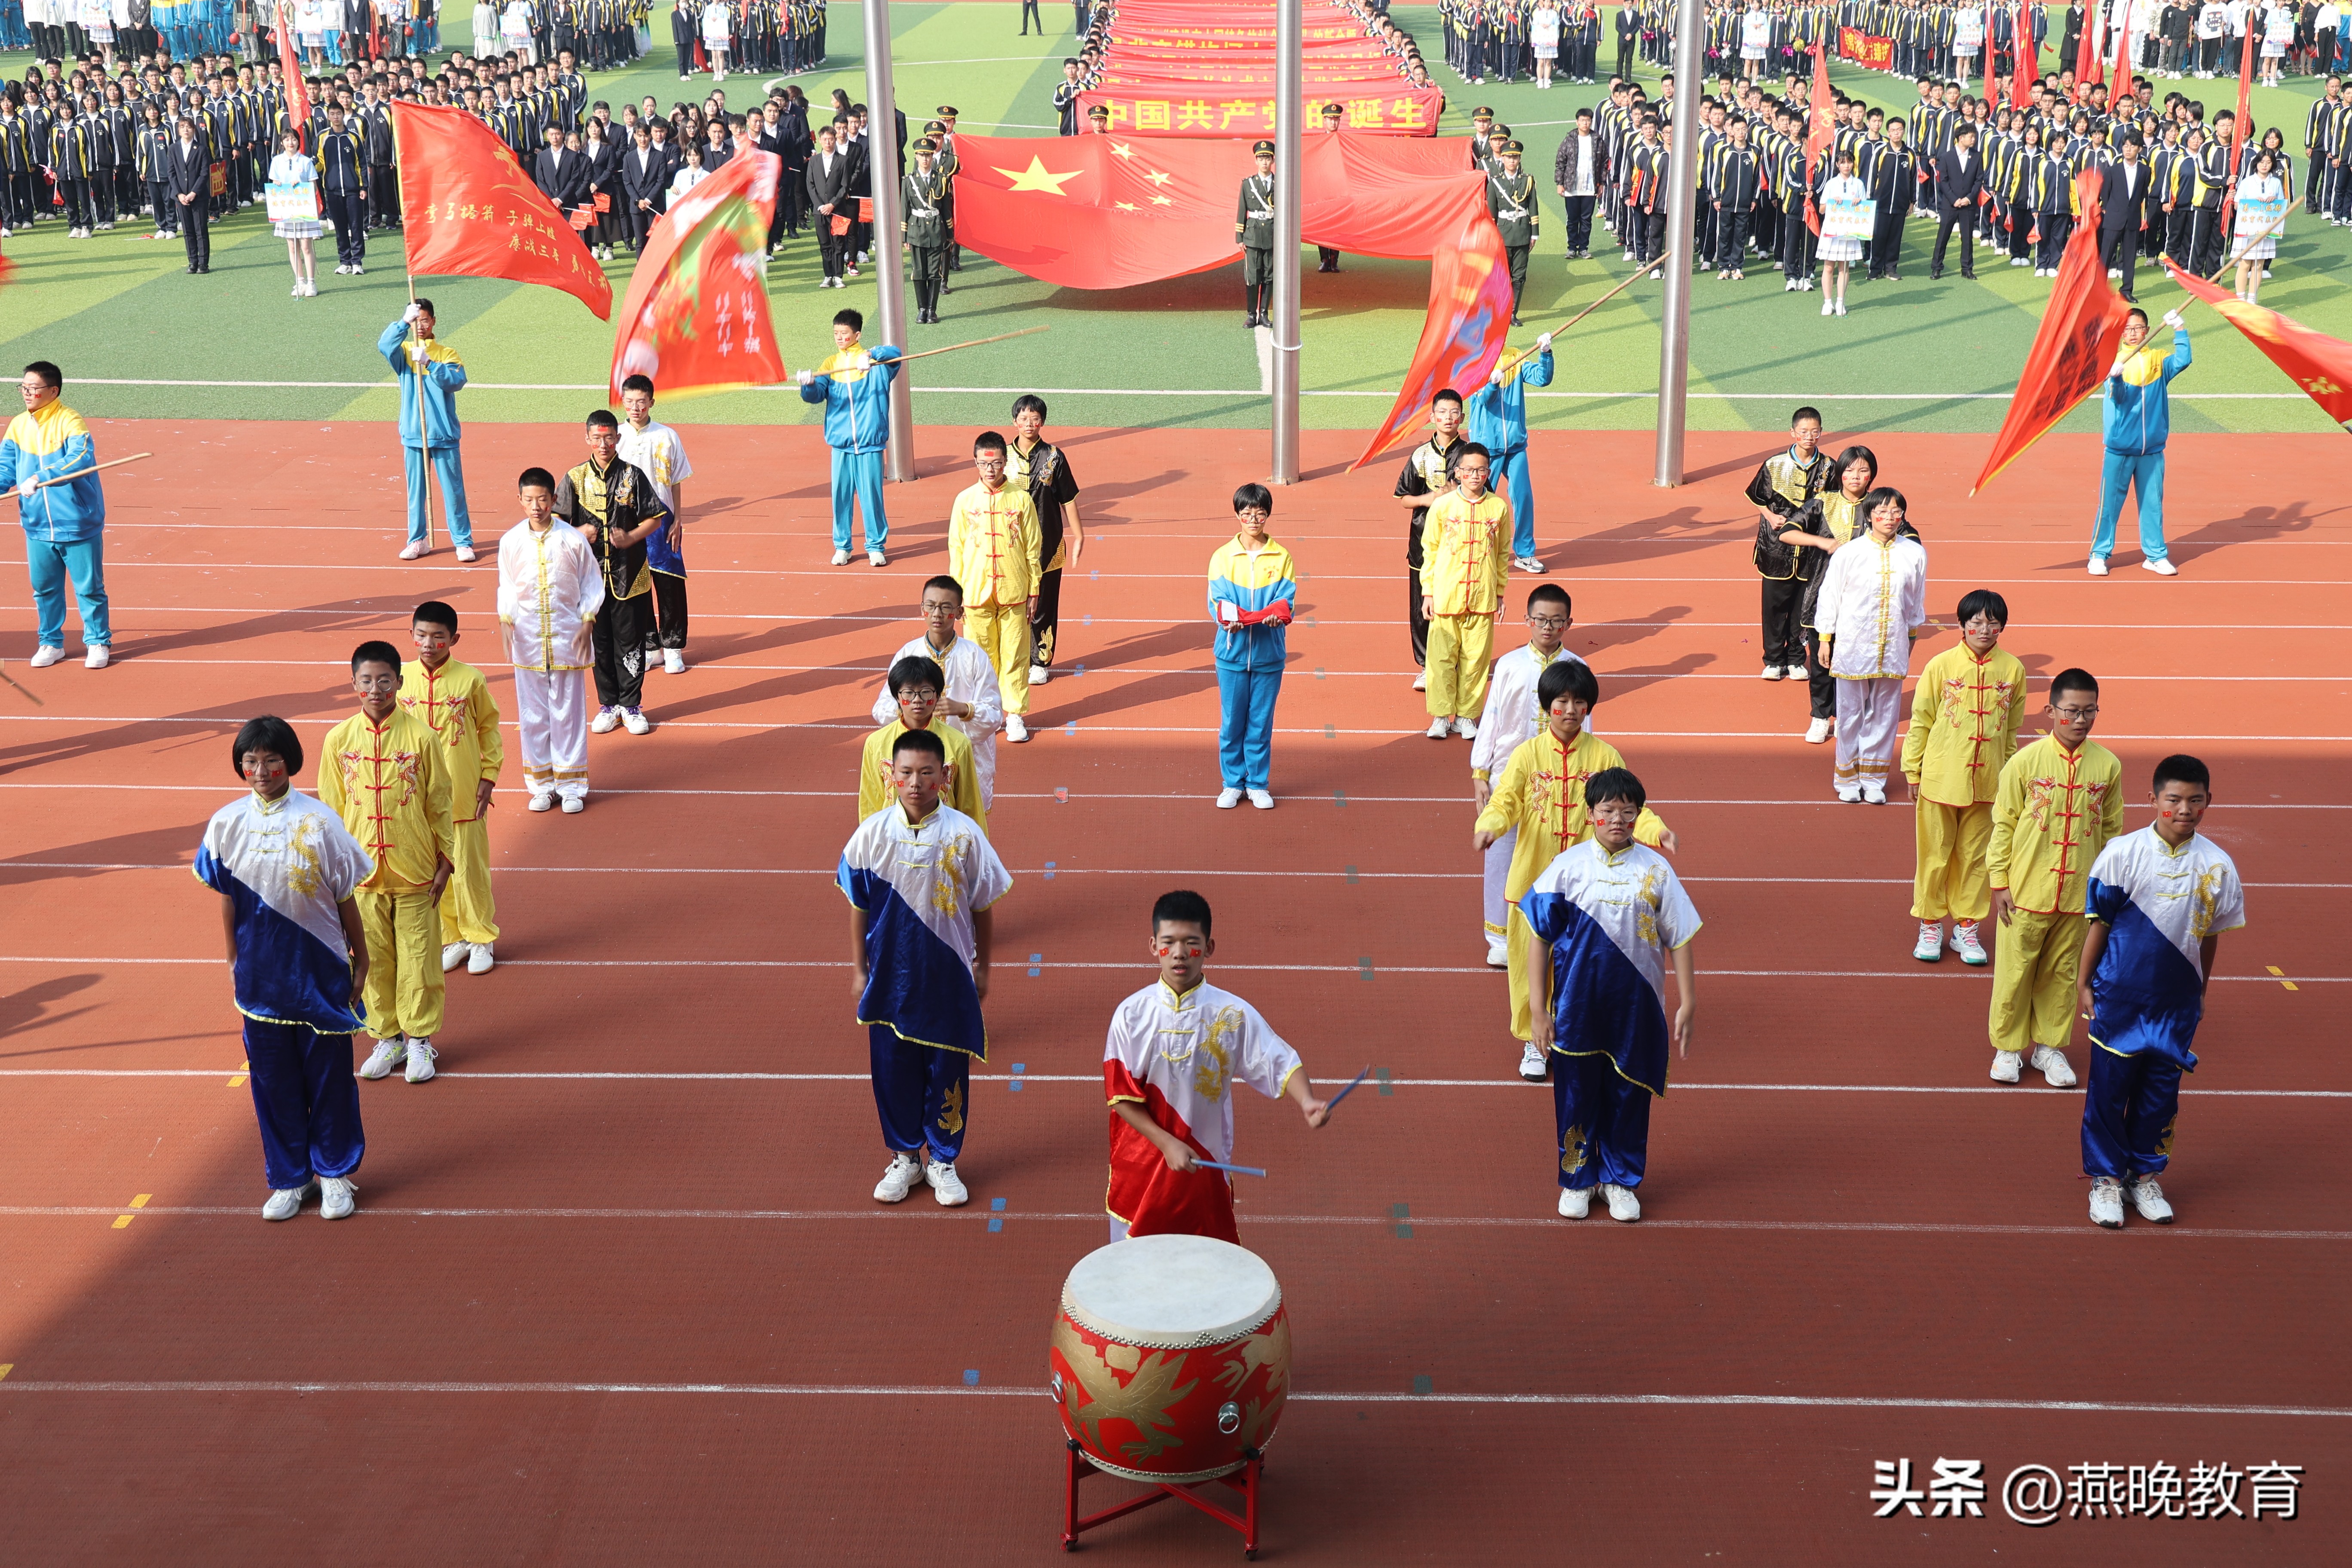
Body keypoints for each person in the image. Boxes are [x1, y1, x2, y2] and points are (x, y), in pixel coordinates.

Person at [196, 715, 375, 1221]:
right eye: (251, 760)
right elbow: (228, 900)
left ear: (290, 761)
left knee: (330, 1079)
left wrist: (361, 963)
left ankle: (336, 1173)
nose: (261, 770)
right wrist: (234, 959)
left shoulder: (321, 822)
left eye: (271, 759)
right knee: (273, 1083)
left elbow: (345, 899)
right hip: (261, 980)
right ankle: (290, 1178)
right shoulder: (226, 824)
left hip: (320, 972)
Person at [1474, 661, 1675, 1083]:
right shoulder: (1527, 755)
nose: (1570, 710)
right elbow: (1505, 800)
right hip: (1534, 887)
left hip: (1588, 887)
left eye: (1579, 702)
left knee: (1583, 968)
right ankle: (1534, 1041)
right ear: (1546, 707)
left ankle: (1575, 1037)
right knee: (1531, 968)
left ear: (1589, 708)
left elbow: (1629, 808)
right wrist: (1489, 827)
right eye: (1561, 702)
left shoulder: (1604, 756)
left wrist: (1657, 832)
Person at [842, 726, 1012, 1210]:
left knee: (947, 1067)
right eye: (906, 773)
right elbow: (858, 904)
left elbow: (984, 905)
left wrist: (983, 967)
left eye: (926, 773)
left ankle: (943, 1159)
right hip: (889, 980)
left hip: (948, 976)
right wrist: (860, 969)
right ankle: (905, 1157)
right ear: (888, 776)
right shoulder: (871, 836)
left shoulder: (965, 835)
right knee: (892, 1069)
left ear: (947, 775)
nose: (915, 783)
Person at [2076, 754, 2246, 1228]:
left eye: (2196, 800)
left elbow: (2209, 937)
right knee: (2109, 1093)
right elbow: (2100, 925)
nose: (2184, 809)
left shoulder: (2219, 867)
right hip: (2119, 998)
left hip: (2176, 1004)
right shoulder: (2121, 854)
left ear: (2210, 802)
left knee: (2160, 1095)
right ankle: (2107, 1181)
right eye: (2174, 799)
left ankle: (2144, 1175)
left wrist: (2202, 992)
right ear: (2152, 800)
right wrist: (2083, 982)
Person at [1524, 766, 1699, 1222]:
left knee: (1629, 1093)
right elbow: (1538, 939)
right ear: (1590, 815)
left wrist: (1689, 1000)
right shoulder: (1567, 868)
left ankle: (1620, 1179)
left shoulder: (1657, 871)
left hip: (1636, 1009)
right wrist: (1537, 1010)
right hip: (1578, 1008)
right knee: (1576, 1092)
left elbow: (1679, 937)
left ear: (1640, 816)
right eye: (1608, 811)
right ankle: (1578, 1178)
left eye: (1628, 811)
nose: (1618, 820)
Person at [1103, 890, 1329, 1243]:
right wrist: (1168, 1145)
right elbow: (1122, 1098)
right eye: (1169, 943)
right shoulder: (1131, 1016)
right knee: (1132, 1278)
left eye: (1191, 943)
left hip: (1203, 1170)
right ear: (1153, 946)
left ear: (1209, 948)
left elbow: (1280, 1060)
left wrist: (1307, 1101)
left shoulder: (1232, 1014)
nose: (1179, 954)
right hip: (1141, 1174)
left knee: (1205, 1272)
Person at [320, 641, 455, 1087]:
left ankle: (419, 1039)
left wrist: (447, 858)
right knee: (372, 959)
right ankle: (387, 1036)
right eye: (366, 681)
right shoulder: (338, 741)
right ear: (353, 684)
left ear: (399, 682)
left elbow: (439, 801)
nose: (375, 689)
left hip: (416, 866)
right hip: (361, 875)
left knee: (419, 959)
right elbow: (331, 810)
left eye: (384, 680)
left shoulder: (422, 737)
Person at [1985, 668, 2125, 1087]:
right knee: (2015, 971)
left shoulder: (2108, 766)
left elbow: (2112, 830)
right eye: (2071, 711)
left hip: (2079, 893)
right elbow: (2004, 823)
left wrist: (2106, 889)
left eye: (2090, 712)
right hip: (2026, 888)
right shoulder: (2025, 763)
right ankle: (2008, 1048)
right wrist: (1999, 881)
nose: (2081, 720)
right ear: (2050, 711)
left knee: (2066, 973)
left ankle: (2050, 1048)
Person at [1900, 589, 2027, 967]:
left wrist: (2009, 779)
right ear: (1962, 625)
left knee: (1976, 859)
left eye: (1992, 623)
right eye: (1976, 622)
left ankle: (1967, 927)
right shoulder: (1940, 666)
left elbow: (2012, 731)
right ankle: (1930, 923)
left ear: (2002, 626)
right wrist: (1913, 768)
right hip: (1941, 777)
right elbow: (1921, 719)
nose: (1984, 629)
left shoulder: (2014, 670)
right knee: (1935, 854)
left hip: (1989, 782)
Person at [1469, 584, 1584, 968]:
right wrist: (1480, 771)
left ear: (1569, 623)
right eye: (1540, 620)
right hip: (1508, 776)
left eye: (1556, 621)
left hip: (1560, 777)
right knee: (1502, 854)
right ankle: (1499, 936)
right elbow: (1493, 718)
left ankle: (1552, 931)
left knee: (1556, 856)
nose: (1547, 628)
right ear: (1527, 621)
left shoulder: (1579, 669)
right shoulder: (1510, 665)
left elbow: (1588, 726)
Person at [401, 600, 503, 978]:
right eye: (422, 636)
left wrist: (488, 776)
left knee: (470, 868)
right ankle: (454, 936)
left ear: (454, 639)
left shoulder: (471, 680)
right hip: (417, 795)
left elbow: (489, 728)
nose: (429, 644)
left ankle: (481, 937)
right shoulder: (400, 679)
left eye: (438, 638)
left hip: (463, 790)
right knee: (432, 867)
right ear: (411, 636)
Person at [1812, 486, 1930, 805]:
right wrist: (1825, 638)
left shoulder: (1915, 553)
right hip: (1853, 645)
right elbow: (1830, 597)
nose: (1890, 518)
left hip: (1893, 644)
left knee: (1886, 714)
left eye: (1896, 512)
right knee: (1850, 715)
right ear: (1869, 516)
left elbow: (1915, 602)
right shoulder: (1849, 553)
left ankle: (1874, 778)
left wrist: (1911, 639)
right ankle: (1847, 777)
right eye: (1883, 511)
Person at [555, 409, 669, 738]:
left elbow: (656, 518)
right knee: (600, 642)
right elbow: (558, 522)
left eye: (609, 438)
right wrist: (580, 533)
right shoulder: (575, 478)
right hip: (589, 578)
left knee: (630, 641)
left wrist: (630, 538)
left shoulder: (633, 476)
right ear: (587, 439)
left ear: (617, 439)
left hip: (629, 574)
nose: (603, 444)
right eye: (597, 438)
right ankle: (609, 705)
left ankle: (632, 706)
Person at [497, 466, 603, 813]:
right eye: (529, 500)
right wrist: (506, 620)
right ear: (520, 501)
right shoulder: (510, 542)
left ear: (554, 500)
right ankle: (541, 784)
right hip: (527, 640)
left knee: (569, 712)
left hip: (567, 637)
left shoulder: (571, 540)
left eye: (543, 499)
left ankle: (572, 785)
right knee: (532, 715)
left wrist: (588, 619)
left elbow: (591, 581)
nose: (536, 506)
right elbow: (508, 587)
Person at [3, 360, 111, 670]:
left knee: (89, 588)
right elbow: (6, 467)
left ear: (53, 390)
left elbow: (80, 459)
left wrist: (41, 476)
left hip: (76, 523)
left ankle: (98, 642)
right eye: (23, 387)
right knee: (45, 589)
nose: (27, 393)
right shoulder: (18, 425)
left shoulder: (70, 421)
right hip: (37, 524)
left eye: (33, 389)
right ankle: (51, 643)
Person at [869, 576, 1006, 810]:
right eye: (931, 606)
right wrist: (908, 708)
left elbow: (994, 714)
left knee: (962, 827)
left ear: (960, 612)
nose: (937, 614)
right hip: (917, 763)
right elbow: (882, 709)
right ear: (922, 608)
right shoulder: (907, 654)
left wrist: (964, 710)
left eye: (946, 608)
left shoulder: (974, 657)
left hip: (961, 760)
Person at [946, 430, 1043, 746]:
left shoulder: (1021, 498)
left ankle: (1014, 714)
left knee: (1015, 654)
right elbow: (956, 549)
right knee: (981, 659)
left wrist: (1034, 589)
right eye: (984, 464)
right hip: (975, 593)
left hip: (1015, 590)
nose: (991, 470)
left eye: (997, 463)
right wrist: (955, 595)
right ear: (975, 463)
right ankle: (987, 713)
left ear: (1006, 462)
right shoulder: (964, 500)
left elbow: (1033, 547)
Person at [1208, 482, 1297, 811]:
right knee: (1232, 722)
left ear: (1268, 515)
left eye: (1259, 513)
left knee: (1261, 722)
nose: (1253, 519)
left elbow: (1285, 601)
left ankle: (1258, 784)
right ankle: (1233, 783)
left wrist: (1278, 616)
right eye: (1247, 513)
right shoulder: (1222, 557)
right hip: (1231, 654)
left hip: (1268, 655)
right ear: (1237, 515)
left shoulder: (1282, 556)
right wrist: (1228, 620)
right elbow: (1217, 601)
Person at [1418, 442, 1512, 742]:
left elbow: (1502, 554)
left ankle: (1467, 716)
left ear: (1488, 472)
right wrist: (1428, 593)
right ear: (1457, 473)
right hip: (1446, 595)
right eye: (1469, 470)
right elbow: (1429, 552)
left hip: (1482, 597)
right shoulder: (1443, 506)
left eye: (1481, 470)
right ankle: (1440, 716)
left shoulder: (1498, 508)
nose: (1475, 475)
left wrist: (1499, 592)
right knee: (1441, 658)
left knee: (1476, 661)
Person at [2092, 306, 2190, 577]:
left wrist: (2179, 329)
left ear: (2147, 330)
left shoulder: (2159, 360)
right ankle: (2099, 555)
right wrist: (2117, 376)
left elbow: (2183, 361)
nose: (2133, 333)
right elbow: (2118, 398)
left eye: (2138, 328)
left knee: (2152, 505)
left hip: (2152, 450)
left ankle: (2156, 556)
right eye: (2127, 329)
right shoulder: (2113, 361)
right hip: (2121, 448)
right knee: (2109, 505)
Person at [798, 309, 900, 566]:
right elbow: (814, 396)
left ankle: (876, 547)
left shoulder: (877, 365)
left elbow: (896, 355)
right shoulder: (831, 364)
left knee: (872, 497)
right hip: (841, 445)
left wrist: (872, 355)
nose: (840, 338)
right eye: (836, 334)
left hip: (870, 444)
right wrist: (808, 384)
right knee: (841, 498)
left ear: (857, 335)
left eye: (844, 333)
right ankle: (842, 546)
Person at [377, 299, 476, 563]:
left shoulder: (447, 353)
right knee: (416, 492)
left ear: (433, 321)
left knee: (454, 491)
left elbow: (456, 382)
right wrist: (402, 322)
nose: (420, 325)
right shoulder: (405, 351)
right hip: (413, 434)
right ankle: (417, 540)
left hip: (443, 434)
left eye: (424, 320)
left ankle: (463, 543)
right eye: (415, 320)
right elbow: (384, 346)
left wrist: (431, 364)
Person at [615, 374, 694, 675]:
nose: (636, 408)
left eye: (642, 402)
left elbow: (675, 480)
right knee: (637, 585)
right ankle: (651, 647)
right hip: (628, 521)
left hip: (662, 520)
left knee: (670, 583)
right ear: (623, 402)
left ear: (652, 402)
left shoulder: (667, 435)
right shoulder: (617, 436)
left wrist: (678, 519)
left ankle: (673, 648)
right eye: (630, 402)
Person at [1745, 404, 1828, 684]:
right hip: (1776, 548)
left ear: (1821, 432)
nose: (1809, 436)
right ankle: (1773, 661)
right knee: (1774, 607)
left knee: (1803, 607)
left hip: (1810, 550)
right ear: (1793, 433)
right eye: (1804, 431)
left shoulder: (1829, 467)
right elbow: (1756, 496)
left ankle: (1795, 659)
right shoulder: (1774, 464)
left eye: (1814, 431)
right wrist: (1770, 517)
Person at [1005, 395, 1083, 688]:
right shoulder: (1003, 457)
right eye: (1024, 419)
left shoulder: (1054, 456)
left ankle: (1040, 660)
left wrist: (1079, 535)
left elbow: (1069, 499)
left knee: (1045, 604)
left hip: (1049, 545)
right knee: (1013, 600)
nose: (1029, 424)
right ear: (1014, 421)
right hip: (1011, 544)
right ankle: (1015, 656)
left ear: (1043, 422)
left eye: (1035, 419)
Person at [1393, 389, 1468, 690]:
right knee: (1420, 606)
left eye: (1454, 413)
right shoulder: (1420, 455)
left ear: (1462, 417)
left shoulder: (1471, 455)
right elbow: (1404, 500)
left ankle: (1458, 660)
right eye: (1443, 413)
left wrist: (1459, 495)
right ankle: (1426, 666)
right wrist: (1433, 498)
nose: (1448, 418)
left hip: (1461, 543)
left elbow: (1485, 493)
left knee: (1459, 603)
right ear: (1432, 417)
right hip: (1423, 543)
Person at [859, 655, 987, 830]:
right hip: (893, 838)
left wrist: (976, 849)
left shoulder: (958, 743)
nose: (917, 700)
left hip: (943, 839)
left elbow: (970, 805)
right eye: (909, 693)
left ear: (937, 695)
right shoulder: (876, 743)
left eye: (926, 692)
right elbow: (870, 803)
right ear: (897, 696)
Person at [1462, 337, 1553, 573]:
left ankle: (1524, 553)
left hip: (1515, 446)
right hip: (1486, 449)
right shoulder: (1474, 362)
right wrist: (1492, 384)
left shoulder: (1516, 358)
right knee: (1481, 501)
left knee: (1523, 498)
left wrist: (1546, 353)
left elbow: (1543, 379)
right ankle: (1478, 552)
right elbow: (1482, 399)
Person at [1488, 138, 1540, 319]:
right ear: (1502, 159)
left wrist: (1535, 234)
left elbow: (1533, 207)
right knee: (1502, 276)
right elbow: (1492, 214)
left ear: (1519, 159)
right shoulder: (1495, 182)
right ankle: (1500, 311)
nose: (1512, 161)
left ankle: (1512, 313)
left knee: (1519, 276)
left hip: (1523, 233)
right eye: (1509, 157)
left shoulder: (1528, 180)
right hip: (1503, 234)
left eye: (1515, 157)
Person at [266, 126, 321, 297]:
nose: (291, 143)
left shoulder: (305, 161)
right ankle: (300, 281)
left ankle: (311, 283)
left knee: (306, 245)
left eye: (294, 139)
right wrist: (277, 184)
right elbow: (275, 181)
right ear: (282, 142)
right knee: (292, 246)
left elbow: (314, 185)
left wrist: (301, 184)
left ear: (298, 142)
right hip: (286, 209)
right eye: (287, 139)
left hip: (304, 209)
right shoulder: (277, 161)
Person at [903, 135, 949, 325]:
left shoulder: (941, 180)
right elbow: (904, 209)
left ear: (932, 157)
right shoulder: (909, 181)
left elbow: (946, 209)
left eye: (928, 155)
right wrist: (904, 236)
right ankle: (922, 309)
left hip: (937, 231)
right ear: (916, 157)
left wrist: (950, 234)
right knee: (919, 272)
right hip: (916, 231)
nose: (925, 159)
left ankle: (932, 310)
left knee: (934, 273)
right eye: (922, 155)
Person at [2230, 146, 2285, 301]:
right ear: (2256, 163)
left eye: (2268, 162)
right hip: (2248, 230)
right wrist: (2254, 202)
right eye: (2262, 162)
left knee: (2259, 265)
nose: (2265, 165)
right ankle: (2240, 298)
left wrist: (2274, 201)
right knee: (2245, 264)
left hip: (2265, 230)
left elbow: (2281, 206)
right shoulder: (2247, 182)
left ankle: (2252, 298)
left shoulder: (2276, 183)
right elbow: (2236, 204)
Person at [1814, 149, 1865, 315]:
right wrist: (1832, 203)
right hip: (1832, 231)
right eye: (1843, 162)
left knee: (1844, 268)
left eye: (1849, 162)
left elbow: (1865, 210)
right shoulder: (1831, 184)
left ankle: (1841, 302)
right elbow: (1821, 209)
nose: (1846, 166)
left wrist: (1860, 203)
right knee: (1829, 267)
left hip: (1849, 232)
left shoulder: (1858, 184)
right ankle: (1827, 302)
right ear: (1837, 165)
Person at [1236, 138, 1277, 328]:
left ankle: (1264, 313)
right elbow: (1242, 211)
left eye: (1267, 158)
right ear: (1256, 161)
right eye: (1261, 158)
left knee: (1269, 276)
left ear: (1273, 160)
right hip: (1252, 236)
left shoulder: (1280, 183)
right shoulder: (1248, 184)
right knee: (1253, 277)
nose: (1264, 162)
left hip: (1272, 235)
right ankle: (1252, 315)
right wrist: (1239, 237)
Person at [165, 114, 211, 272]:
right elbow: (171, 173)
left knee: (201, 230)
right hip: (181, 197)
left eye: (189, 127)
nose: (186, 130)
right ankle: (192, 261)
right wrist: (179, 194)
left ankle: (203, 263)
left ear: (194, 130)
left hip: (198, 196)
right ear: (178, 131)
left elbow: (205, 173)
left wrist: (194, 193)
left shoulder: (202, 149)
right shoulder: (173, 148)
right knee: (188, 231)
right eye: (183, 127)